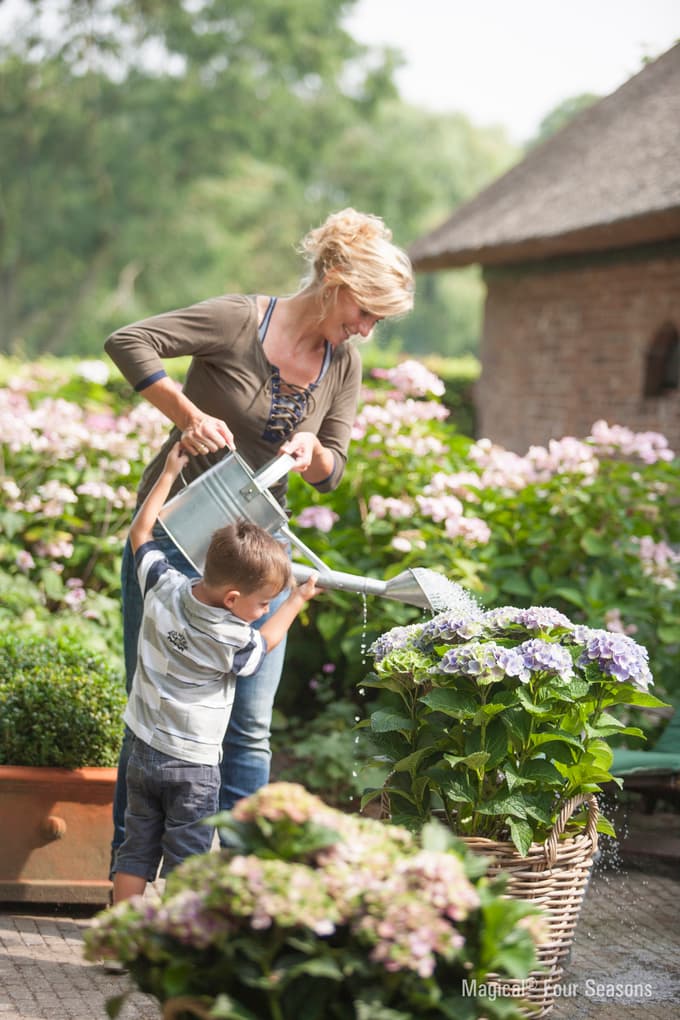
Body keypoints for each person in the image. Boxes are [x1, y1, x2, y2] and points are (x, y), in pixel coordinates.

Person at [105, 206, 414, 865]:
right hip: (178, 541)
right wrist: (188, 415)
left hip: (257, 556)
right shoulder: (238, 319)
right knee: (153, 717)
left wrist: (315, 453)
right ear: (336, 282)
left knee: (248, 726)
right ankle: (131, 891)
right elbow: (128, 341)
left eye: (378, 321)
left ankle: (245, 888)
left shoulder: (344, 362)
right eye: (366, 311)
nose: (367, 328)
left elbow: (335, 466)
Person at [112, 441, 319, 904]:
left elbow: (142, 534)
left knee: (136, 849)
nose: (265, 611)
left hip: (144, 751)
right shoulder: (234, 638)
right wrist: (296, 602)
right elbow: (264, 645)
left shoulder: (162, 586)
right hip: (194, 767)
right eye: (262, 603)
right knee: (188, 858)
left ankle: (119, 935)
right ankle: (175, 947)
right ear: (232, 601)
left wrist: (168, 473)